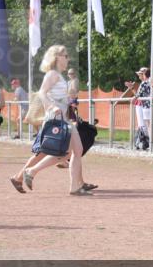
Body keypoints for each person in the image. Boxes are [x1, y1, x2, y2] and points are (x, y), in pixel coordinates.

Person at [9, 45, 91, 196]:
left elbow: (54, 95)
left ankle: (24, 175)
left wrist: (68, 100)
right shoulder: (52, 74)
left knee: (67, 152)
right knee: (68, 151)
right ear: (57, 57)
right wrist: (52, 106)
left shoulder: (59, 76)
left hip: (61, 118)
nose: (67, 59)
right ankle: (31, 173)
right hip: (56, 118)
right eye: (65, 56)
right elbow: (41, 93)